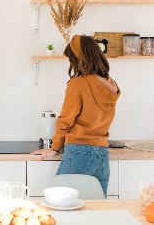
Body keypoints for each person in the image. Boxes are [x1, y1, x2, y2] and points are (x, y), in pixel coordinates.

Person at [30, 35, 120, 197]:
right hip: (102, 156)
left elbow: (65, 121)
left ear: (80, 59)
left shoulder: (78, 84)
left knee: (59, 203)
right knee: (97, 209)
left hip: (79, 154)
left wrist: (54, 148)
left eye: (72, 59)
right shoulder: (111, 84)